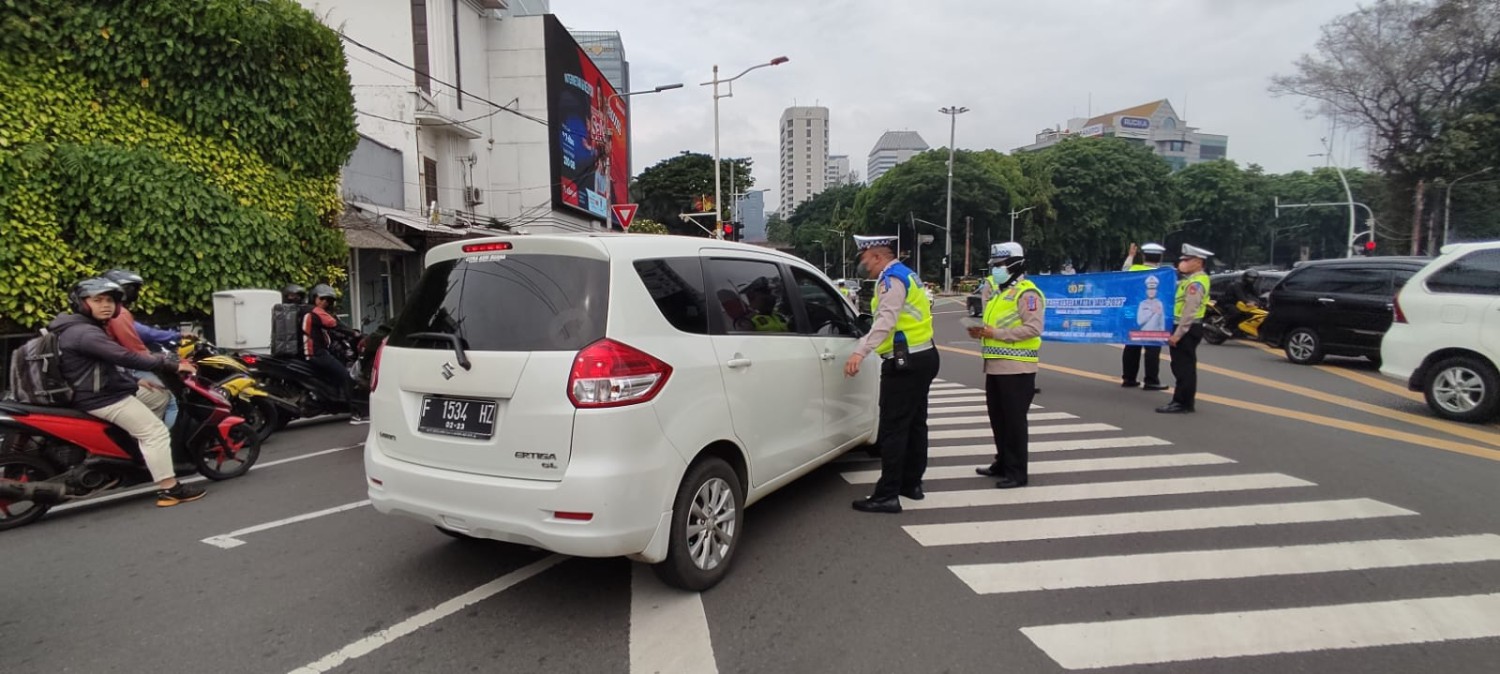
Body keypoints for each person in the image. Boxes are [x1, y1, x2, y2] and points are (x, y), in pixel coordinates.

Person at [51, 278, 206, 506]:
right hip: (102, 398)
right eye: (98, 300)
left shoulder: (77, 327)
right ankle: (169, 489)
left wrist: (134, 380)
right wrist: (171, 364)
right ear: (82, 303)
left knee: (156, 398)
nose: (106, 305)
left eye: (110, 301)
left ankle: (138, 456)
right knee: (155, 432)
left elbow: (100, 366)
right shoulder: (86, 332)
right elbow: (124, 356)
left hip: (94, 391)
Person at [845, 234, 939, 514]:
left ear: (877, 255)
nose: (864, 265)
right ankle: (911, 484)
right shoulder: (908, 275)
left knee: (893, 428)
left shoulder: (891, 280)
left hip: (905, 362)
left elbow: (886, 320)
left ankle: (887, 494)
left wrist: (860, 351)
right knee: (915, 424)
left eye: (865, 259)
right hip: (923, 356)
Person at [968, 242, 1044, 489]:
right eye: (995, 265)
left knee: (1014, 422)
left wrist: (995, 332)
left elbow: (1033, 328)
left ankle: (1017, 472)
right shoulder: (1001, 292)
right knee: (998, 419)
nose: (996, 270)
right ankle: (1002, 462)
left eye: (1000, 265)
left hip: (1017, 368)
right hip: (996, 366)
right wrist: (982, 333)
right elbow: (996, 326)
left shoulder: (1027, 294)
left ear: (1014, 264)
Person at [102, 269, 183, 429]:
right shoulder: (118, 313)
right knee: (170, 399)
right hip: (124, 368)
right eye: (131, 288)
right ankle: (167, 443)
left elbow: (142, 332)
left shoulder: (112, 312)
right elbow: (136, 348)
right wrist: (161, 361)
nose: (135, 293)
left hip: (114, 368)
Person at [1158, 244, 1214, 414]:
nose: (1182, 263)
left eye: (1186, 260)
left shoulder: (1196, 284)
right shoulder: (1190, 280)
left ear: (1198, 262)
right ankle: (1183, 401)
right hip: (1187, 328)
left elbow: (1190, 312)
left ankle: (1182, 402)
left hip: (1187, 330)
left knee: (1184, 368)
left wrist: (1178, 334)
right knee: (1182, 366)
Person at [303, 284, 369, 424]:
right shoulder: (316, 312)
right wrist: (356, 334)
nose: (325, 302)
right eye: (322, 299)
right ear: (314, 298)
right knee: (346, 376)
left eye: (328, 300)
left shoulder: (305, 311)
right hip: (317, 353)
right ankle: (358, 413)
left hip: (309, 353)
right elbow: (334, 324)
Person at [1120, 242, 1168, 390]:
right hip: (1155, 320)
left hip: (1133, 315)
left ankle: (1129, 379)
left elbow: (1124, 270)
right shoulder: (1165, 274)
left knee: (1131, 347)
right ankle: (1151, 380)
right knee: (1152, 349)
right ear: (1159, 258)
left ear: (1144, 256)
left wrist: (1130, 256)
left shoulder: (1134, 269)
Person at [1222, 269, 1262, 334]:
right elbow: (1240, 296)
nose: (1252, 280)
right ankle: (1226, 327)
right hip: (1229, 302)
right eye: (1250, 278)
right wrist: (1247, 302)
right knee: (1237, 313)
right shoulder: (1237, 285)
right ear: (1245, 277)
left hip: (1240, 303)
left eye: (1254, 278)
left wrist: (1259, 302)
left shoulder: (1250, 286)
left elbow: (1256, 296)